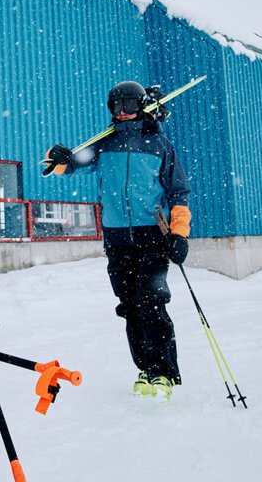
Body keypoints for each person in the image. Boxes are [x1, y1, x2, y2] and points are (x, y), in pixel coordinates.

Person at [46, 80, 191, 400]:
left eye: (128, 106)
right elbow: (68, 165)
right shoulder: (105, 144)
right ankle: (145, 368)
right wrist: (57, 156)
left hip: (151, 235)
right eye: (115, 107)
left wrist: (179, 233)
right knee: (129, 307)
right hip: (116, 238)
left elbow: (179, 192)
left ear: (141, 106)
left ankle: (163, 371)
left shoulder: (159, 145)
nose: (122, 113)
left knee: (151, 303)